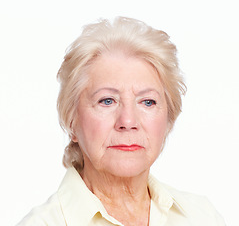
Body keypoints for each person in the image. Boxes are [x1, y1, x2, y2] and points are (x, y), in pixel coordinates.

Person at [17, 17, 225, 226]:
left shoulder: (202, 217)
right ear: (71, 120)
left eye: (148, 102)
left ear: (168, 119)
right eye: (107, 101)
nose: (128, 121)